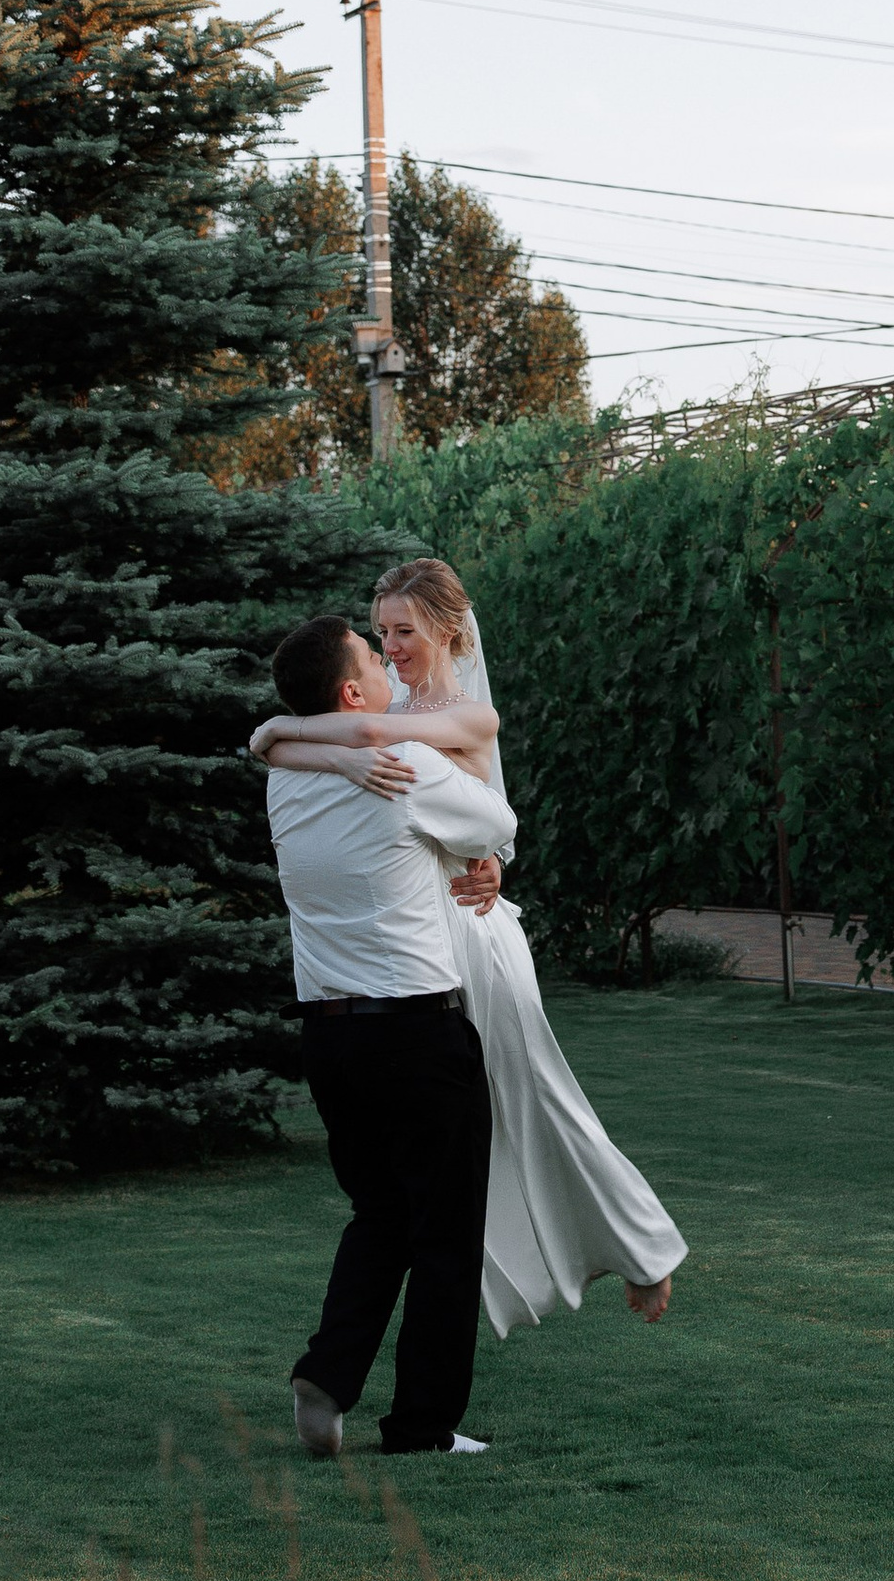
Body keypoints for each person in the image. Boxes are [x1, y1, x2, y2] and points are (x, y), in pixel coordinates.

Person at [251, 555, 688, 1339]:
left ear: (449, 631)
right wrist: (321, 747)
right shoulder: (376, 710)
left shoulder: (463, 717)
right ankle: (498, 1283)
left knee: (540, 1097)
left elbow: (344, 741)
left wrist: (290, 731)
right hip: (419, 943)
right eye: (380, 632)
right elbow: (308, 741)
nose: (391, 648)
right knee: (460, 1146)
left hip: (475, 937)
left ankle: (645, 1248)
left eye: (405, 631)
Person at [260, 608, 516, 1462]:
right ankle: (420, 1429)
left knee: (379, 1212)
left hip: (329, 1039)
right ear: (350, 690)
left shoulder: (287, 777)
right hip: (416, 1034)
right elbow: (493, 826)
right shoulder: (403, 762)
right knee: (445, 1235)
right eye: (374, 655)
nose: (387, 664)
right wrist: (481, 850)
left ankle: (329, 1375)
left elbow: (270, 744)